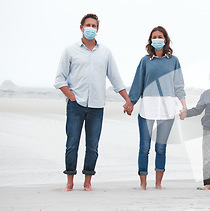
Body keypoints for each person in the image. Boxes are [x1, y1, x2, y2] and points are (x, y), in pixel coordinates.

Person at [54, 13, 133, 192]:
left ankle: (88, 181)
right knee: (72, 143)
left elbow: (116, 79)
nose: (91, 28)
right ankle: (70, 181)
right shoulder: (70, 50)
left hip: (97, 106)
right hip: (76, 105)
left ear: (98, 29)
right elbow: (60, 79)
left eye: (94, 26)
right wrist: (71, 97)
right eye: (87, 25)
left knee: (93, 146)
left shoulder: (105, 53)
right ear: (81, 27)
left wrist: (127, 100)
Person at [128, 26, 187, 190]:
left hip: (167, 108)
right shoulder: (145, 61)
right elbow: (137, 84)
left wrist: (184, 106)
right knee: (144, 147)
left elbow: (179, 86)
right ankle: (143, 183)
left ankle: (159, 183)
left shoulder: (173, 61)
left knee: (160, 147)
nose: (157, 39)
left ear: (166, 40)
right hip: (147, 107)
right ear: (150, 41)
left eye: (160, 36)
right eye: (154, 36)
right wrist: (130, 103)